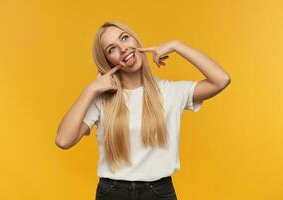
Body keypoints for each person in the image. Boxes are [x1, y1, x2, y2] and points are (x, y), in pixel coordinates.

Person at [56, 21, 231, 200]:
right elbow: (63, 140)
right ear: (107, 61)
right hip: (112, 192)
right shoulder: (103, 98)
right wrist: (90, 90)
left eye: (125, 38)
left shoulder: (171, 92)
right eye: (112, 49)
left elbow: (221, 80)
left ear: (136, 41)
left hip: (159, 192)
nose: (123, 48)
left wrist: (176, 45)